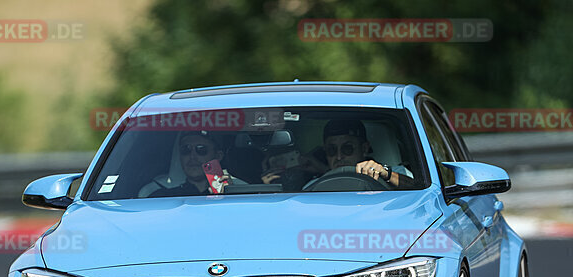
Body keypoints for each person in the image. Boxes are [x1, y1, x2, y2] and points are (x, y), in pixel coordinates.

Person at [262, 119, 414, 190]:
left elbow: (420, 189)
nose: (339, 156)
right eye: (332, 150)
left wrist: (385, 174)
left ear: (364, 148)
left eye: (348, 149)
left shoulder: (396, 174)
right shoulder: (312, 186)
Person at [148, 131, 235, 197]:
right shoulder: (161, 198)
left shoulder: (241, 195)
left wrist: (229, 195)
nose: (192, 156)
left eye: (201, 149)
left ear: (218, 156)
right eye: (186, 149)